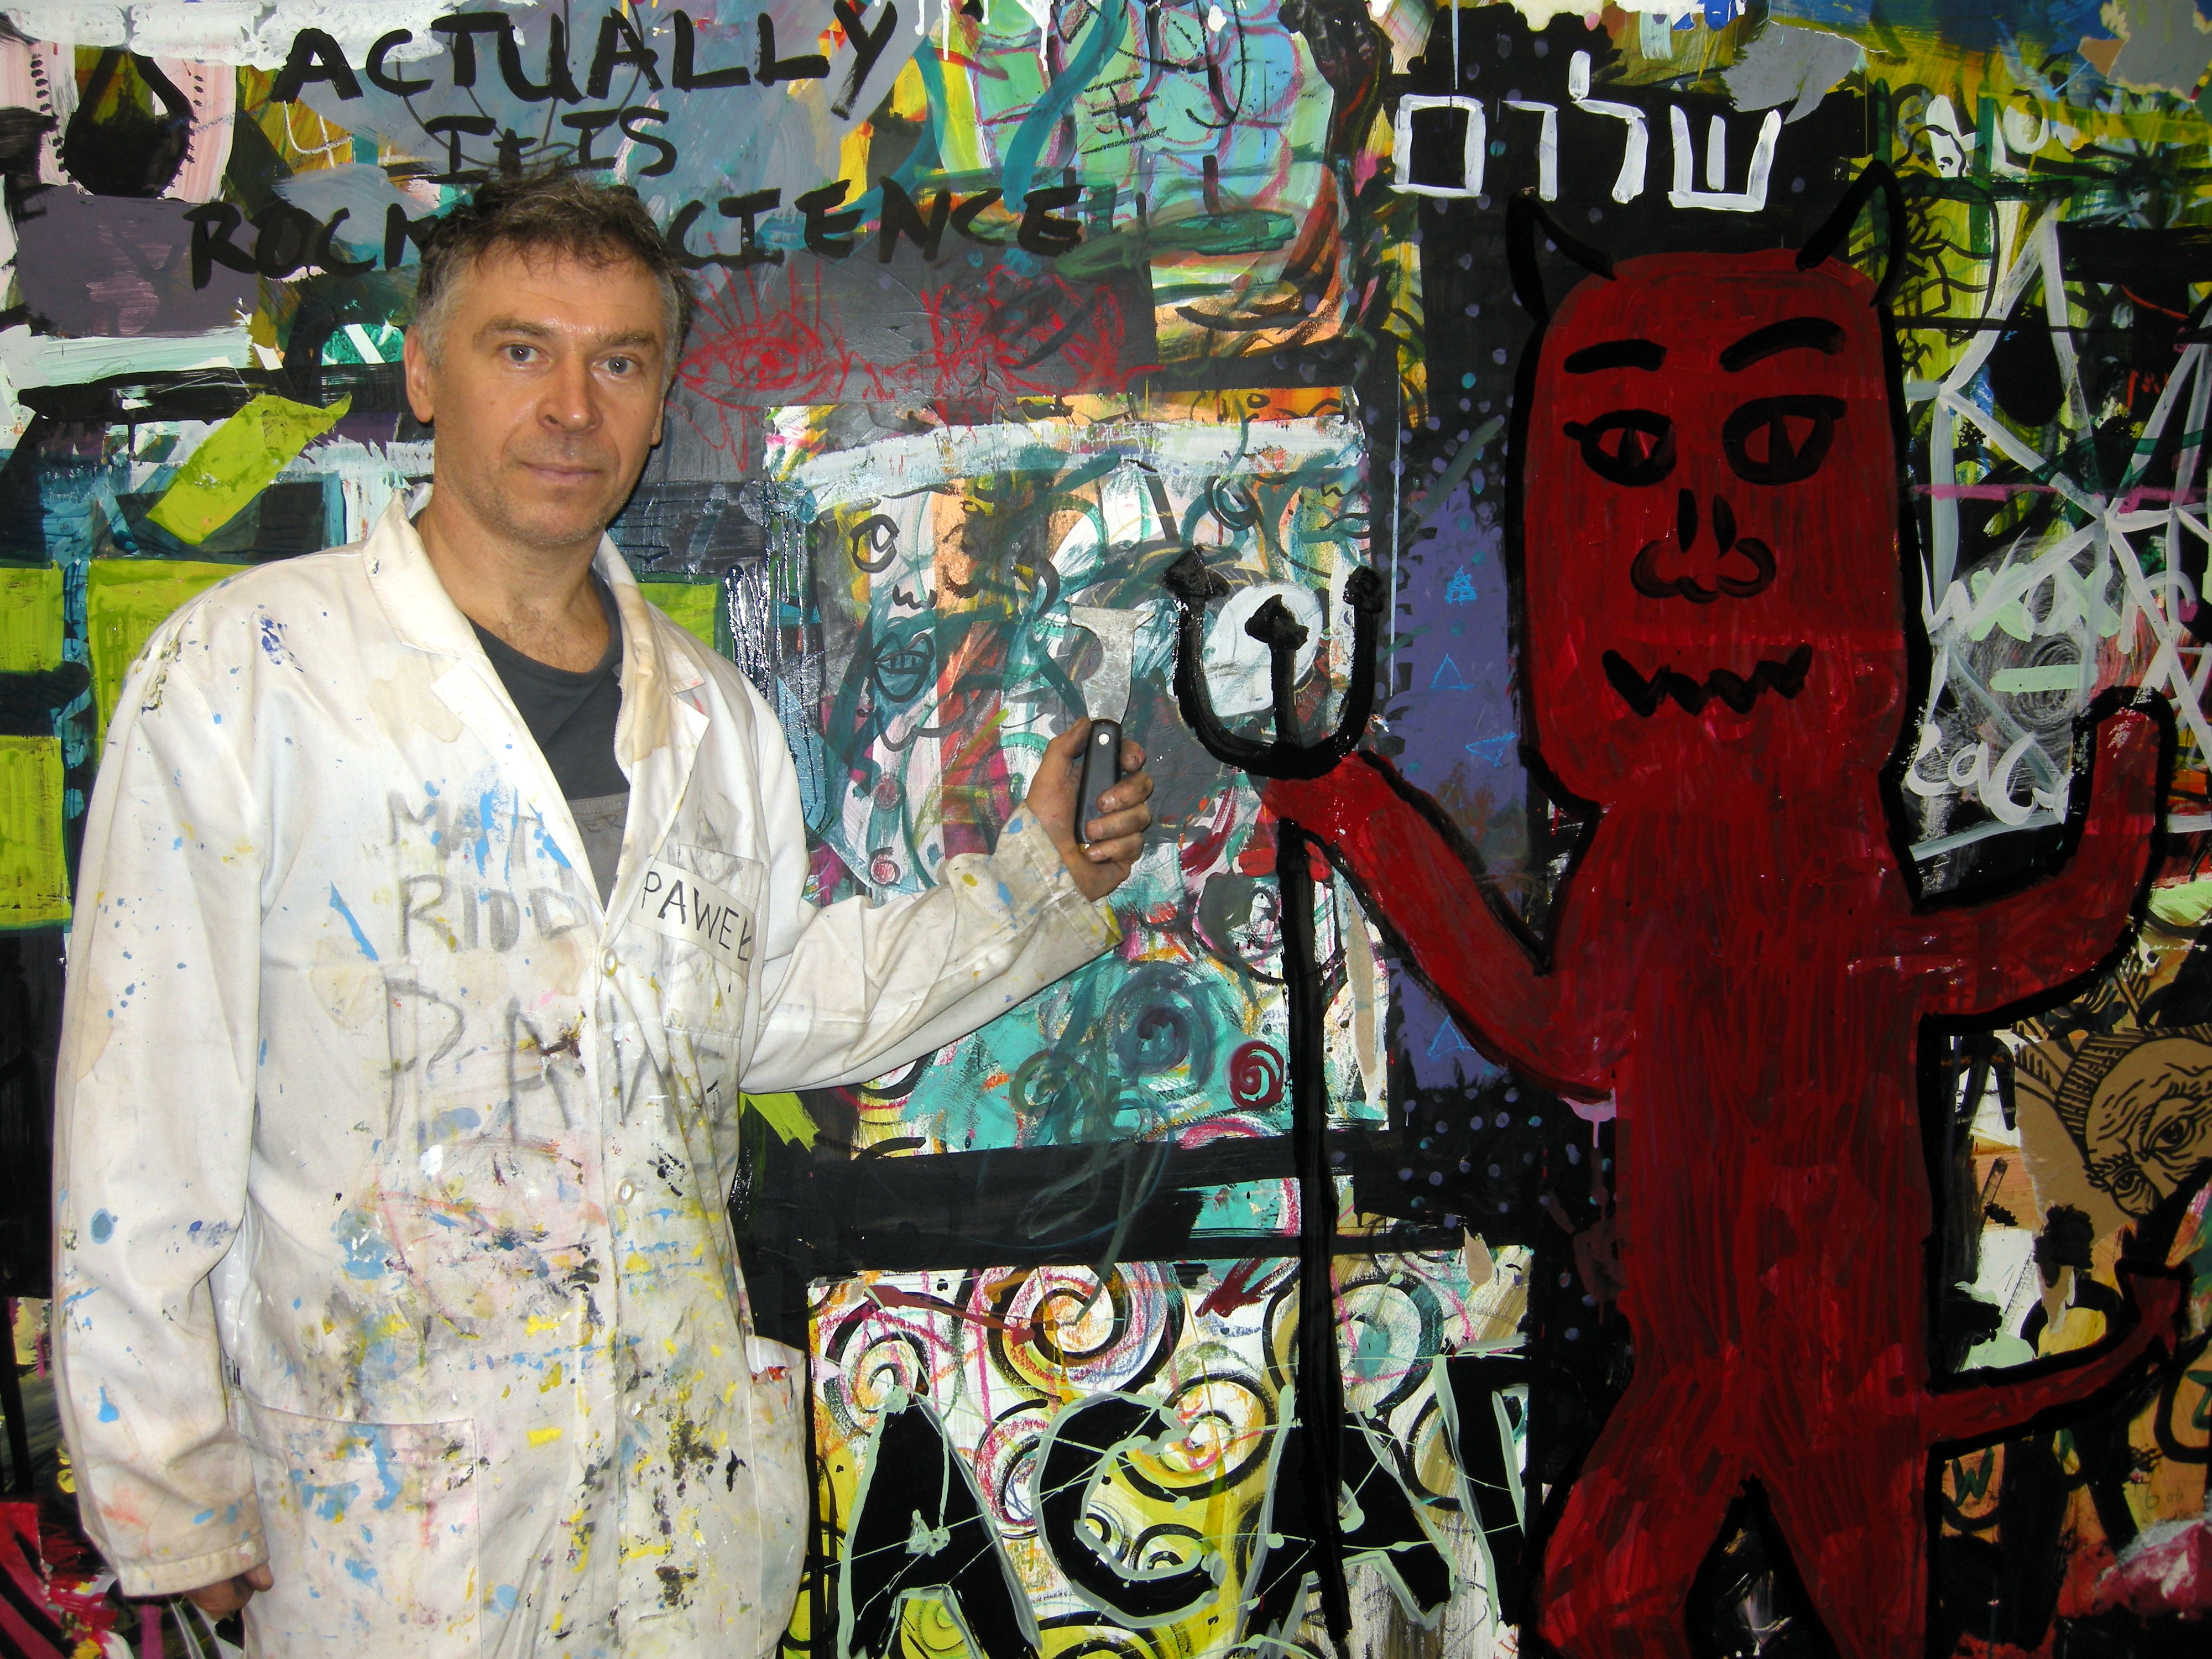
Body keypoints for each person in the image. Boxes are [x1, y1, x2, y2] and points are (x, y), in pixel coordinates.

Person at [51, 173, 1154, 1657]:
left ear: (657, 402)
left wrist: (1036, 889)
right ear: (425, 374)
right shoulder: (250, 678)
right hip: (389, 1525)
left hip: (673, 1515)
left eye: (620, 363)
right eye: (522, 351)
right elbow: (144, 1102)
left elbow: (761, 1008)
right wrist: (168, 1489)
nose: (572, 409)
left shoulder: (713, 717)